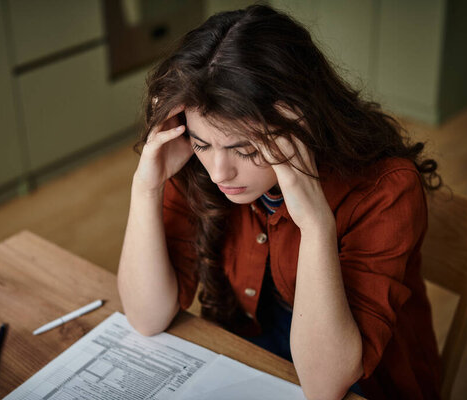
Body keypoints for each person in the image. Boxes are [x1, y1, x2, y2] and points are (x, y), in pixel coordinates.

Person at [117, 5, 441, 400]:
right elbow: (146, 318)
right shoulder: (194, 162)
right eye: (203, 143)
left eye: (246, 149)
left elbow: (326, 385)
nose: (220, 172)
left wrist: (316, 224)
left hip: (360, 381)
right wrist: (146, 186)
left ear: (299, 121)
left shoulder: (386, 189)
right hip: (248, 352)